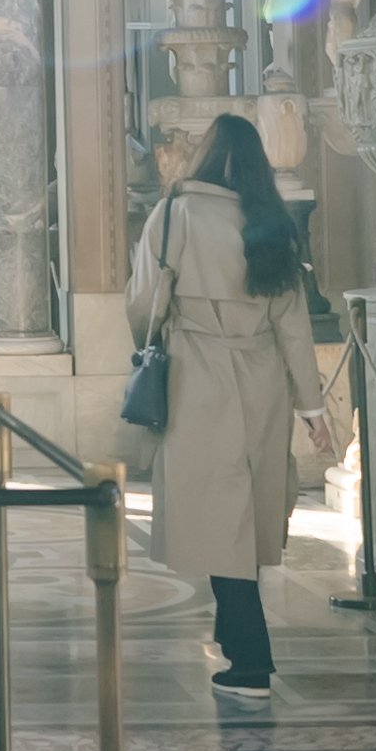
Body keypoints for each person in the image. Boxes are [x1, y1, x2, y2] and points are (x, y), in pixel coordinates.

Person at [134, 111, 310, 700]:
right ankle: (235, 639)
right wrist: (314, 407)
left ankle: (251, 657)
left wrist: (150, 340)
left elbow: (146, 302)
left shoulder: (175, 213)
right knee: (246, 514)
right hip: (263, 379)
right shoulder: (272, 222)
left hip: (196, 374)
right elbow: (294, 325)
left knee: (216, 514)